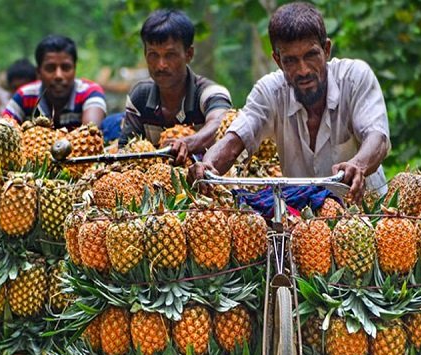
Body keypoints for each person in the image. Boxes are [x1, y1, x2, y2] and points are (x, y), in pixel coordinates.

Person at [189, 2, 390, 205]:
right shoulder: (270, 92)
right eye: (291, 61)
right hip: (304, 225)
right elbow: (232, 143)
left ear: (326, 50)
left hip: (367, 214)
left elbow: (377, 138)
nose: (303, 70)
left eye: (311, 55)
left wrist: (358, 165)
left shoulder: (355, 78)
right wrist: (207, 165)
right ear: (278, 60)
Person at [118, 9, 232, 161]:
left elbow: (220, 124)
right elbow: (125, 150)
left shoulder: (210, 93)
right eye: (153, 55)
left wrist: (188, 143)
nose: (161, 65)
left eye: (170, 55)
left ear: (189, 54)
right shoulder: (140, 96)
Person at [2, 35, 106, 130]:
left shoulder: (90, 93)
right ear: (39, 72)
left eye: (66, 68)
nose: (58, 76)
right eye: (50, 68)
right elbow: (3, 129)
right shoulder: (24, 96)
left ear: (74, 69)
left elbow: (90, 132)